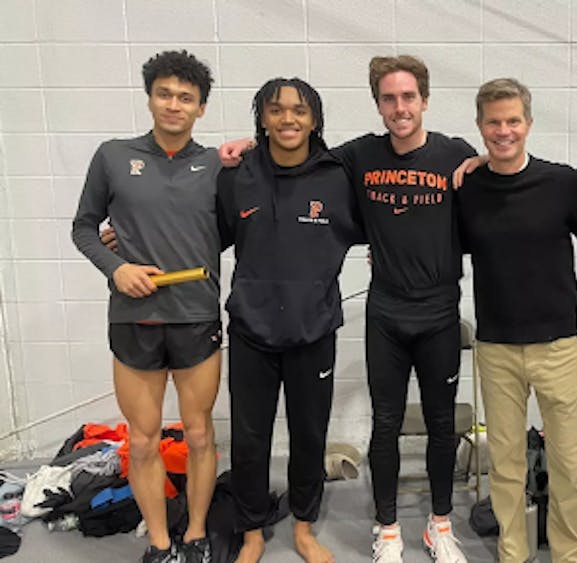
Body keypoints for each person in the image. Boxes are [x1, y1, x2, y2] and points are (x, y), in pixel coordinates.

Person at [219, 55, 475, 563]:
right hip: (272, 323)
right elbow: (208, 229)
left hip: (371, 319)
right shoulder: (326, 163)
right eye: (276, 111)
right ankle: (270, 533)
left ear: (424, 100)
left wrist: (487, 160)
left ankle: (338, 528)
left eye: (408, 97)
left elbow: (490, 190)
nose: (288, 119)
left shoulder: (436, 157)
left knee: (325, 434)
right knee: (260, 435)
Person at [71, 50, 221, 563]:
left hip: (197, 315)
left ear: (201, 107)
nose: (173, 105)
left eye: (186, 97)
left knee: (199, 433)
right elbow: (84, 228)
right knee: (142, 440)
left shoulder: (216, 166)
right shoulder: (113, 156)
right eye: (165, 94)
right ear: (150, 97)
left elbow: (230, 228)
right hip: (133, 319)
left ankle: (197, 534)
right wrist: (118, 269)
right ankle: (160, 544)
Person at [217, 78, 363, 563]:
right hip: (251, 331)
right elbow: (197, 233)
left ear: (315, 120)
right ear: (261, 118)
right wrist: (129, 242)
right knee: (250, 437)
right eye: (276, 110)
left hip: (313, 329)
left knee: (309, 434)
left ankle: (303, 526)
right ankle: (252, 531)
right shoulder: (236, 175)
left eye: (299, 111)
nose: (288, 119)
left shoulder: (338, 176)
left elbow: (391, 218)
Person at [456, 78, 577, 562]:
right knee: (506, 465)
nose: (504, 130)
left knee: (570, 464)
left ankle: (568, 554)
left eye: (513, 120)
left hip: (557, 346)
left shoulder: (563, 183)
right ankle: (514, 553)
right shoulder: (467, 188)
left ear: (528, 124)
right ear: (480, 126)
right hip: (497, 348)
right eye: (494, 122)